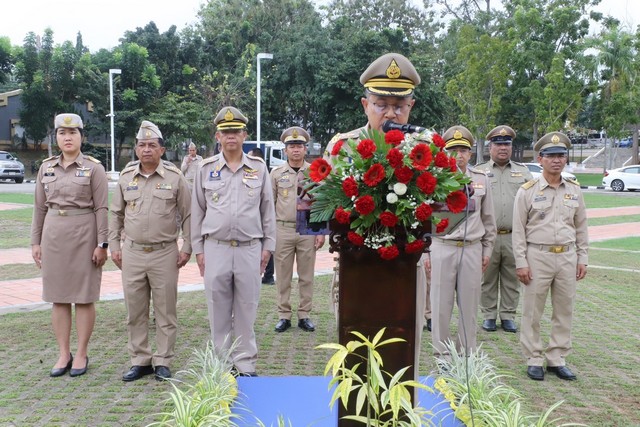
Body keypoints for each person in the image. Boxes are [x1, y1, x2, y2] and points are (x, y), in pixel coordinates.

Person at [324, 53, 428, 332]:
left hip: (406, 267)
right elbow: (323, 203)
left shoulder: (425, 149)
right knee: (353, 351)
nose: (391, 114)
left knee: (404, 348)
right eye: (381, 104)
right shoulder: (342, 147)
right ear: (365, 105)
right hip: (355, 263)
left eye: (399, 106)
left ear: (411, 106)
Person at [191, 106, 276, 376]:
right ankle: (222, 363)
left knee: (247, 307)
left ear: (244, 135)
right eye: (226, 132)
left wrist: (268, 246)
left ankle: (245, 363)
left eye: (236, 131)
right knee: (217, 308)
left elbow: (267, 210)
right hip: (216, 247)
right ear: (218, 136)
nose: (231, 136)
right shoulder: (205, 169)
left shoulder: (259, 169)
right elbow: (197, 211)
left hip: (250, 248)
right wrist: (198, 249)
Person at [109, 120, 192, 382]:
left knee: (166, 310)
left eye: (152, 145)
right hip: (132, 252)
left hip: (164, 252)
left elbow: (188, 214)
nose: (146, 149)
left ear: (162, 150)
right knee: (135, 310)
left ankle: (164, 360)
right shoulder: (126, 177)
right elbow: (115, 214)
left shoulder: (175, 177)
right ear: (136, 149)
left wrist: (187, 246)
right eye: (142, 145)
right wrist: (114, 245)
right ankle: (140, 360)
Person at [31, 113, 109, 378]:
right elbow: (39, 208)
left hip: (84, 235)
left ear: (81, 137)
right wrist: (35, 241)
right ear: (56, 137)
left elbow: (102, 208)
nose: (68, 137)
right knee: (59, 297)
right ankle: (64, 353)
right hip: (53, 236)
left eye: (73, 133)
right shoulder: (46, 167)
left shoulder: (94, 168)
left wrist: (102, 244)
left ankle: (82, 352)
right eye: (62, 133)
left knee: (84, 297)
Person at [513, 131, 588, 381]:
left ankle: (557, 357)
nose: (556, 160)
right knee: (533, 310)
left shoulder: (574, 190)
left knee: (564, 310)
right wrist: (521, 262)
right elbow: (519, 231)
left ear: (566, 159)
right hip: (538, 256)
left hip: (566, 257)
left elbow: (581, 226)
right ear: (540, 158)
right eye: (550, 156)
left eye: (561, 156)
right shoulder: (527, 191)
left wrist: (582, 257)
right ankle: (534, 357)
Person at [428, 125, 496, 360]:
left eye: (463, 150)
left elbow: (489, 219)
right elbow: (425, 219)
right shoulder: (433, 179)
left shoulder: (481, 179)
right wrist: (426, 253)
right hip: (442, 246)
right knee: (440, 306)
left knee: (469, 306)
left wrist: (487, 249)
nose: (459, 155)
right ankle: (442, 356)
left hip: (471, 248)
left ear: (470, 153)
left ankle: (466, 355)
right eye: (453, 150)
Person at [476, 126, 533, 333]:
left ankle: (508, 315)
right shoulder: (479, 171)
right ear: (490, 147)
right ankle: (489, 315)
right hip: (487, 236)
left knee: (511, 277)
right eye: (498, 144)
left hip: (514, 235)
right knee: (487, 278)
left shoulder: (524, 172)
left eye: (506, 144)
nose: (503, 148)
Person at [271, 127, 325, 333]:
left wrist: (320, 231)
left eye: (299, 146)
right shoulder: (276, 174)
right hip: (282, 229)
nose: (296, 150)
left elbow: (320, 203)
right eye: (292, 146)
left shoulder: (315, 172)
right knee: (283, 275)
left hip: (307, 230)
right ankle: (284, 315)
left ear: (305, 149)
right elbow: (269, 204)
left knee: (306, 275)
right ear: (285, 150)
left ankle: (305, 315)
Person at [249, 147, 275, 285]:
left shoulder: (263, 173)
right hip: (252, 224)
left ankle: (269, 275)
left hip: (261, 222)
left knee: (267, 250)